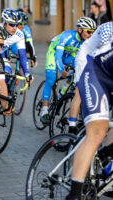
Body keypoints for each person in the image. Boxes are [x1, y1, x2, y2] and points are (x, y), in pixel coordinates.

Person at [65, 21, 113, 200]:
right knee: (97, 131)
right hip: (95, 70)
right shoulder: (108, 28)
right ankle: (75, 194)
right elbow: (101, 50)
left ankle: (106, 157)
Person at [39, 17, 95, 124]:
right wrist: (62, 70)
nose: (90, 35)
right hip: (54, 53)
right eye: (88, 32)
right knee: (51, 79)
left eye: (93, 32)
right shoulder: (67, 36)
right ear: (80, 30)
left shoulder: (87, 41)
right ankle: (44, 110)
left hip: (69, 56)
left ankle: (63, 90)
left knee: (78, 70)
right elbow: (58, 56)